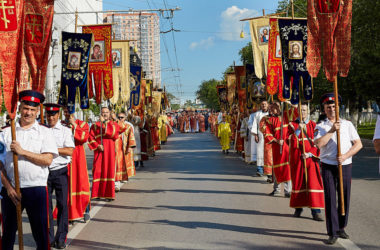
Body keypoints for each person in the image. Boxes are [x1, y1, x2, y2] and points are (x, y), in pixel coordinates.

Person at [0, 90, 58, 250]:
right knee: (8, 235)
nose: (28, 113)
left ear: (38, 111)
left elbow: (47, 159)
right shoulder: (6, 132)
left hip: (36, 189)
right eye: (26, 108)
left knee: (41, 234)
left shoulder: (44, 132)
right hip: (11, 191)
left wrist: (23, 152)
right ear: (20, 108)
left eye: (33, 110)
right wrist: (8, 187)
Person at [315, 93, 363, 245]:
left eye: (333, 106)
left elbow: (358, 144)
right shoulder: (321, 126)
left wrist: (346, 155)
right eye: (328, 107)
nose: (331, 109)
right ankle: (332, 231)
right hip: (328, 165)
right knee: (330, 197)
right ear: (324, 109)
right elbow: (318, 144)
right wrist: (331, 131)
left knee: (344, 196)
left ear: (338, 107)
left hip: (345, 164)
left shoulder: (347, 124)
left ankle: (341, 226)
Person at [45, 103, 75, 249]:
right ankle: (49, 238)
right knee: (46, 206)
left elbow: (69, 151)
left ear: (58, 116)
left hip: (60, 171)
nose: (50, 118)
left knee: (62, 205)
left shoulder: (65, 130)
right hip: (44, 172)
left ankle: (61, 237)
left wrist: (51, 149)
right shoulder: (41, 130)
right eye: (48, 115)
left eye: (53, 115)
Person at [288, 102, 324, 221]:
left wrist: (310, 153)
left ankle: (316, 211)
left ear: (308, 111)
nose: (303, 112)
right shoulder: (292, 125)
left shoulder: (314, 125)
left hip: (311, 159)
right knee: (299, 182)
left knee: (313, 183)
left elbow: (318, 143)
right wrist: (298, 130)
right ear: (297, 111)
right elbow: (290, 143)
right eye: (300, 110)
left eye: (304, 110)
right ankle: (298, 208)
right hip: (298, 158)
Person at [62, 107, 91, 223]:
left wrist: (74, 125)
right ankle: (69, 213)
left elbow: (84, 137)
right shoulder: (61, 125)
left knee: (81, 184)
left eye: (69, 111)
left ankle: (85, 210)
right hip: (65, 158)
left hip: (78, 158)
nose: (67, 114)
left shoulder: (82, 124)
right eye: (64, 111)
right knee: (66, 185)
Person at [88, 107, 119, 201]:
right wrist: (97, 145)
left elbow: (113, 134)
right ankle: (97, 193)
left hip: (109, 151)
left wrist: (105, 123)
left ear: (109, 114)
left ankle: (109, 194)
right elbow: (90, 137)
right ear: (100, 114)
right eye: (103, 113)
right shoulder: (95, 125)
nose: (104, 114)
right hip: (99, 151)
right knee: (98, 171)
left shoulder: (113, 124)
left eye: (106, 112)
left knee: (108, 171)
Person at [264, 102, 292, 197]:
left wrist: (290, 103)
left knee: (287, 167)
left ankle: (288, 190)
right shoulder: (269, 120)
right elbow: (267, 133)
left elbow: (295, 113)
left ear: (279, 108)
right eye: (271, 108)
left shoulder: (286, 116)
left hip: (286, 146)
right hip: (276, 147)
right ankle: (276, 189)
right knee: (276, 168)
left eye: (274, 108)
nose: (272, 110)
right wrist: (276, 140)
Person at [251, 100, 269, 176]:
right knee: (260, 152)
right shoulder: (257, 114)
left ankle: (268, 170)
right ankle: (260, 169)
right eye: (262, 104)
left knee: (268, 153)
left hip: (269, 136)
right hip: (260, 136)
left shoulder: (270, 113)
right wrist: (255, 135)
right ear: (260, 106)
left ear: (268, 105)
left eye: (265, 104)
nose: (264, 105)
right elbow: (255, 124)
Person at [114, 112, 128, 191]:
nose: (120, 119)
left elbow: (123, 128)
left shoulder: (127, 125)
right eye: (118, 117)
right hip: (112, 148)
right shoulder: (112, 123)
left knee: (119, 165)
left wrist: (130, 147)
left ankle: (117, 183)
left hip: (122, 148)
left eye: (121, 117)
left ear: (125, 118)